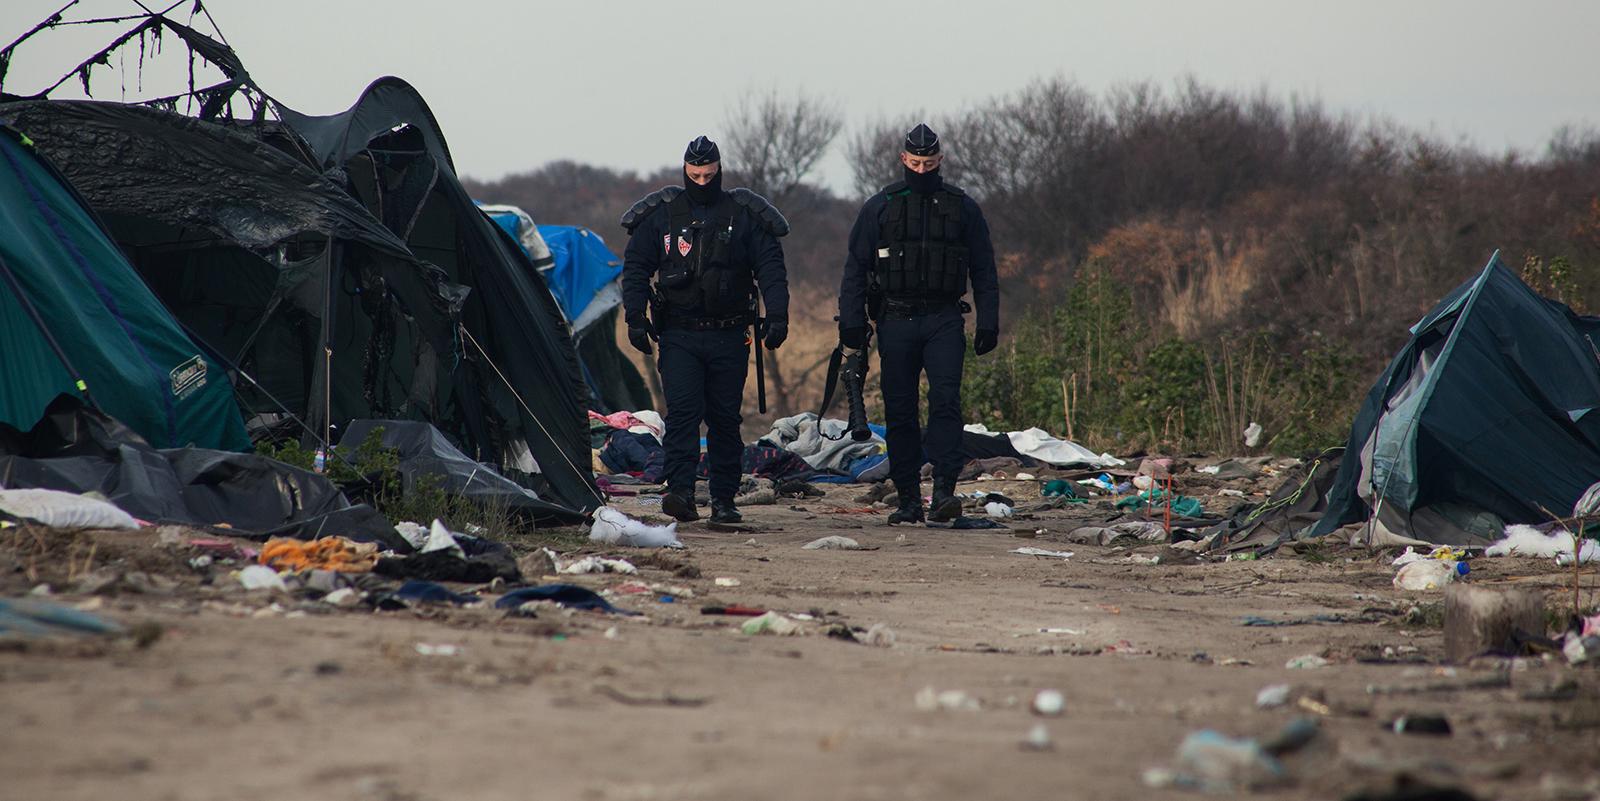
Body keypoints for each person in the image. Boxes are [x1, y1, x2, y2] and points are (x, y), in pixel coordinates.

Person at [619, 135, 790, 524]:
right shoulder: (663, 215)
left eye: (708, 174)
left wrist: (777, 315)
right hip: (678, 334)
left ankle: (724, 500)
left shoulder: (743, 213)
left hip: (729, 335)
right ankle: (680, 493)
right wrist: (634, 316)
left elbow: (771, 269)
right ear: (684, 171)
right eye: (694, 174)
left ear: (719, 171)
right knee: (682, 415)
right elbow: (635, 269)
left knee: (725, 419)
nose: (701, 181)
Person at [838, 123, 999, 524]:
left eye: (929, 163)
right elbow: (855, 269)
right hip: (896, 318)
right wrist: (852, 323)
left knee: (946, 402)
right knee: (900, 409)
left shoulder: (962, 207)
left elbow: (984, 269)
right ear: (903, 160)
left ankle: (945, 491)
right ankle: (908, 497)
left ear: (941, 160)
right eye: (915, 163)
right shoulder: (880, 207)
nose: (922, 170)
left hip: (944, 318)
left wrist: (989, 322)